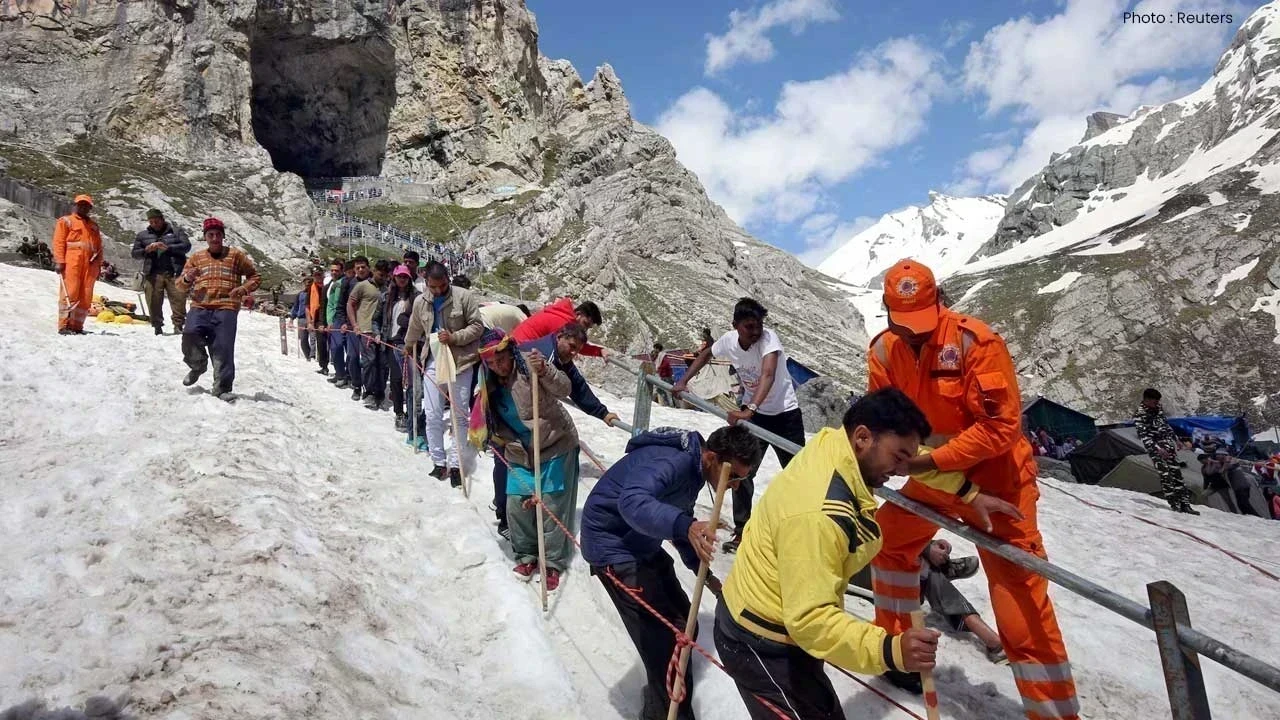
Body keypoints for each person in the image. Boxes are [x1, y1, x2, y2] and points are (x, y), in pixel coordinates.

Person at [866, 259, 1078, 717]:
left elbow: (1001, 427)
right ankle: (901, 655)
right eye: (904, 327)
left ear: (939, 301)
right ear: (886, 313)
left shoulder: (975, 342)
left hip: (997, 484)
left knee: (1019, 593)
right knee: (889, 542)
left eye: (921, 324)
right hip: (935, 480)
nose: (914, 336)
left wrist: (930, 460)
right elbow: (882, 416)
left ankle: (1054, 712)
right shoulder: (883, 352)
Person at [714, 389, 943, 719]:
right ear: (862, 437)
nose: (903, 469)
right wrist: (891, 650)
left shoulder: (834, 445)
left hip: (766, 615)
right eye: (898, 457)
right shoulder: (818, 515)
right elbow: (810, 619)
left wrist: (969, 492)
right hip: (763, 641)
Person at [581, 424, 764, 720]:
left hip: (641, 543)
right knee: (667, 639)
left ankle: (664, 701)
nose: (735, 486)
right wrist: (685, 526)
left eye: (742, 479)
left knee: (684, 623)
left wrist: (702, 573)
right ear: (711, 458)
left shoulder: (694, 469)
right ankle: (666, 713)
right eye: (733, 477)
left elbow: (680, 520)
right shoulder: (673, 463)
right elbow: (633, 503)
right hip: (614, 548)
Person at [671, 297, 806, 553]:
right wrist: (683, 382)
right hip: (755, 414)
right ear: (735, 325)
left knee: (798, 474)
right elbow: (706, 354)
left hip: (785, 414)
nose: (755, 332)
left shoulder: (769, 339)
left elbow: (767, 374)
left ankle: (799, 532)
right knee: (741, 473)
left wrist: (749, 409)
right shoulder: (729, 341)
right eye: (749, 327)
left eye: (758, 326)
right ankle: (743, 531)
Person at [470, 329, 578, 590]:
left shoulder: (531, 364)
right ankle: (527, 555)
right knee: (517, 505)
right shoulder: (487, 382)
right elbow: (482, 414)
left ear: (510, 353)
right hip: (519, 450)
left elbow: (565, 388)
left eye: (502, 359)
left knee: (552, 503)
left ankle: (552, 562)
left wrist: (545, 371)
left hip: (554, 444)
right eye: (492, 363)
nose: (498, 367)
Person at [494, 323, 621, 537]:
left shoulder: (560, 356)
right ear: (559, 336)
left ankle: (520, 520)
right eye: (571, 346)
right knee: (506, 466)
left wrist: (602, 412)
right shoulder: (543, 355)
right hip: (514, 424)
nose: (574, 353)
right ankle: (505, 517)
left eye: (578, 350)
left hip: (532, 427)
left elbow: (576, 386)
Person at [404, 262, 485, 486]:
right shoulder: (421, 302)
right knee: (432, 412)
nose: (438, 290)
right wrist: (408, 346)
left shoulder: (464, 297)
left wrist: (454, 337)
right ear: (426, 282)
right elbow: (414, 328)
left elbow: (477, 326)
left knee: (459, 414)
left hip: (461, 361)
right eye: (433, 287)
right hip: (433, 359)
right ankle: (438, 462)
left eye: (442, 286)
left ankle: (457, 464)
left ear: (448, 279)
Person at [176, 218, 260, 398]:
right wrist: (187, 278)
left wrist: (243, 288)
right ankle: (197, 365)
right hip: (200, 306)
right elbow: (180, 286)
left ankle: (222, 388)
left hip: (227, 307)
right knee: (190, 334)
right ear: (205, 237)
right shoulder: (196, 258)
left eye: (218, 235)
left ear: (223, 236)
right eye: (210, 235)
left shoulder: (236, 256)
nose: (214, 238)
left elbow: (255, 276)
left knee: (223, 346)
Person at [1135, 388, 1198, 514]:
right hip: (1156, 450)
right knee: (1166, 477)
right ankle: (1175, 505)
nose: (1157, 404)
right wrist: (1158, 449)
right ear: (1146, 400)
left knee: (1177, 475)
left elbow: (1166, 426)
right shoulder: (1140, 414)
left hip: (1168, 447)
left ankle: (1185, 504)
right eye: (1154, 401)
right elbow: (1144, 436)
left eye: (1158, 401)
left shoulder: (1158, 410)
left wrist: (1176, 440)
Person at [53, 194, 103, 335]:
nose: (83, 207)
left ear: (90, 207)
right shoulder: (65, 221)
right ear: (75, 205)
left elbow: (99, 248)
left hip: (90, 265)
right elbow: (59, 242)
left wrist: (98, 266)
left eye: (86, 205)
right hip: (72, 263)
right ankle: (64, 326)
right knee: (70, 293)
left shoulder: (93, 226)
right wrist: (59, 261)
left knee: (86, 296)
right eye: (80, 204)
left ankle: (77, 326)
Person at [382, 264, 420, 431]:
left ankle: (414, 414)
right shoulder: (387, 297)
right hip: (391, 342)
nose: (402, 280)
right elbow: (379, 317)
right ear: (394, 278)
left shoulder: (417, 297)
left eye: (405, 277)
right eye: (399, 277)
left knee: (412, 381)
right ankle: (399, 413)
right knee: (396, 379)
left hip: (411, 343)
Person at [348, 258, 390, 409]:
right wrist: (354, 324)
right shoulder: (362, 286)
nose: (382, 278)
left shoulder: (387, 289)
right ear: (374, 271)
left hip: (383, 332)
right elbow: (350, 304)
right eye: (380, 275)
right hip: (365, 330)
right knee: (369, 361)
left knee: (382, 364)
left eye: (385, 275)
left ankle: (380, 392)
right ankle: (369, 391)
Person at [510, 297, 607, 356]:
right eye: (585, 324)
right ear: (578, 314)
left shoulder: (561, 313)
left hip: (517, 345)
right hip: (519, 349)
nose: (584, 329)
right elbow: (576, 345)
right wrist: (599, 351)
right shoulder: (564, 323)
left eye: (588, 327)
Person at [340, 257, 371, 402]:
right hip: (352, 326)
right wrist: (344, 322)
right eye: (357, 268)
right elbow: (343, 304)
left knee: (368, 360)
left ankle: (369, 388)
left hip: (369, 326)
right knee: (352, 357)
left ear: (368, 267)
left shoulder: (374, 282)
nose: (360, 270)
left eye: (363, 267)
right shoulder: (349, 283)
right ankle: (357, 385)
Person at [325, 260, 352, 389]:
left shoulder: (347, 282)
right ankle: (340, 373)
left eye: (337, 270)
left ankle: (349, 374)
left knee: (350, 350)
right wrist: (329, 321)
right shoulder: (333, 284)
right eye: (332, 270)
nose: (334, 272)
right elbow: (329, 304)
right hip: (337, 319)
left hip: (349, 318)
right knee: (336, 347)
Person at [306, 266, 330, 376]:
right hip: (317, 318)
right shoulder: (311, 288)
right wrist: (309, 322)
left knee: (333, 343)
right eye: (315, 275)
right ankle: (324, 366)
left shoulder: (328, 286)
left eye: (319, 274)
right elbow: (307, 306)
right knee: (321, 343)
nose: (317, 277)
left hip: (328, 316)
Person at [289, 276, 314, 361]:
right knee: (303, 340)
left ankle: (313, 357)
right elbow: (295, 307)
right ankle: (308, 357)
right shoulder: (300, 294)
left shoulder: (315, 294)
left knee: (313, 339)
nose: (307, 285)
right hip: (302, 319)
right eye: (306, 283)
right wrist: (292, 319)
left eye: (309, 283)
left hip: (312, 319)